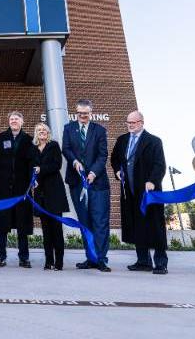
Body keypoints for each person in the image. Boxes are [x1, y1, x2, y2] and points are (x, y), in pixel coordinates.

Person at [110, 111, 169, 275]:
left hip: (149, 192)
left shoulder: (154, 141)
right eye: (128, 122)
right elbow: (114, 158)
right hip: (129, 192)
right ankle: (143, 261)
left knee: (155, 226)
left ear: (141, 122)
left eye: (134, 122)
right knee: (137, 226)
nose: (130, 125)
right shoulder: (122, 140)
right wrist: (117, 171)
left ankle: (160, 263)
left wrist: (152, 181)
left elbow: (160, 165)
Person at [62, 99, 111, 272]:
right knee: (84, 221)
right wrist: (74, 161)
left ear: (91, 112)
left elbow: (102, 155)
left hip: (97, 184)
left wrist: (93, 173)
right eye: (80, 113)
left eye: (86, 113)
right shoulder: (68, 128)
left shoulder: (99, 130)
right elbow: (66, 149)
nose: (82, 116)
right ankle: (90, 258)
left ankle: (101, 259)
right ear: (76, 112)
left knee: (100, 221)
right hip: (77, 182)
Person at [0, 111, 37, 268]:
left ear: (22, 122)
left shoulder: (30, 140)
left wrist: (33, 180)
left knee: (22, 224)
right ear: (8, 122)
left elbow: (32, 162)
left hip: (22, 188)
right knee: (3, 224)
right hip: (3, 187)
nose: (14, 121)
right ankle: (1, 257)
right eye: (11, 119)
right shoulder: (0, 138)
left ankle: (24, 258)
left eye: (16, 119)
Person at [32, 123, 69, 270]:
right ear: (36, 133)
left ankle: (59, 262)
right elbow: (30, 167)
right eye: (39, 130)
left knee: (56, 229)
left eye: (44, 130)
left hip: (54, 192)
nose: (42, 132)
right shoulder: (33, 148)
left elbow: (57, 165)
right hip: (40, 193)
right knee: (46, 230)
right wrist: (32, 178)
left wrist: (41, 169)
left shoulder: (53, 146)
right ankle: (48, 261)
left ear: (48, 133)